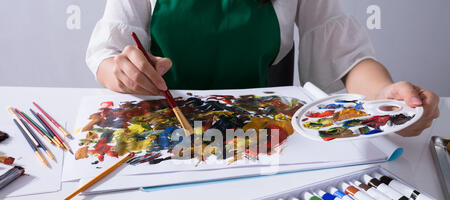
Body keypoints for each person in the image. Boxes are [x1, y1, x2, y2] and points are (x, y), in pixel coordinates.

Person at [86, 0, 439, 137]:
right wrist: (118, 70)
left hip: (262, 136)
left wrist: (383, 98)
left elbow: (345, 55)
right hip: (165, 132)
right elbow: (107, 53)